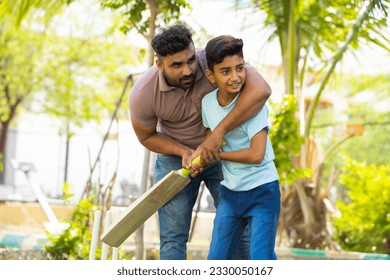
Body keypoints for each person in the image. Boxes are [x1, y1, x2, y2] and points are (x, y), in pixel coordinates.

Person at [129, 25, 271, 260]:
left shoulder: (213, 61)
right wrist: (183, 151)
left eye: (191, 60)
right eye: (176, 65)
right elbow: (146, 136)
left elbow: (261, 90)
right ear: (160, 64)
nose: (188, 70)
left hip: (222, 153)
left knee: (240, 228)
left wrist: (216, 136)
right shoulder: (143, 93)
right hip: (176, 159)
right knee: (173, 236)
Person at [202, 35, 280, 260]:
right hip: (230, 193)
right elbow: (210, 137)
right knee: (216, 260)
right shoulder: (207, 103)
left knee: (261, 260)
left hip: (262, 191)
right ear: (211, 76)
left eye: (239, 68)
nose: (235, 77)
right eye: (225, 71)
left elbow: (257, 155)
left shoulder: (253, 106)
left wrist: (218, 156)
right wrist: (200, 156)